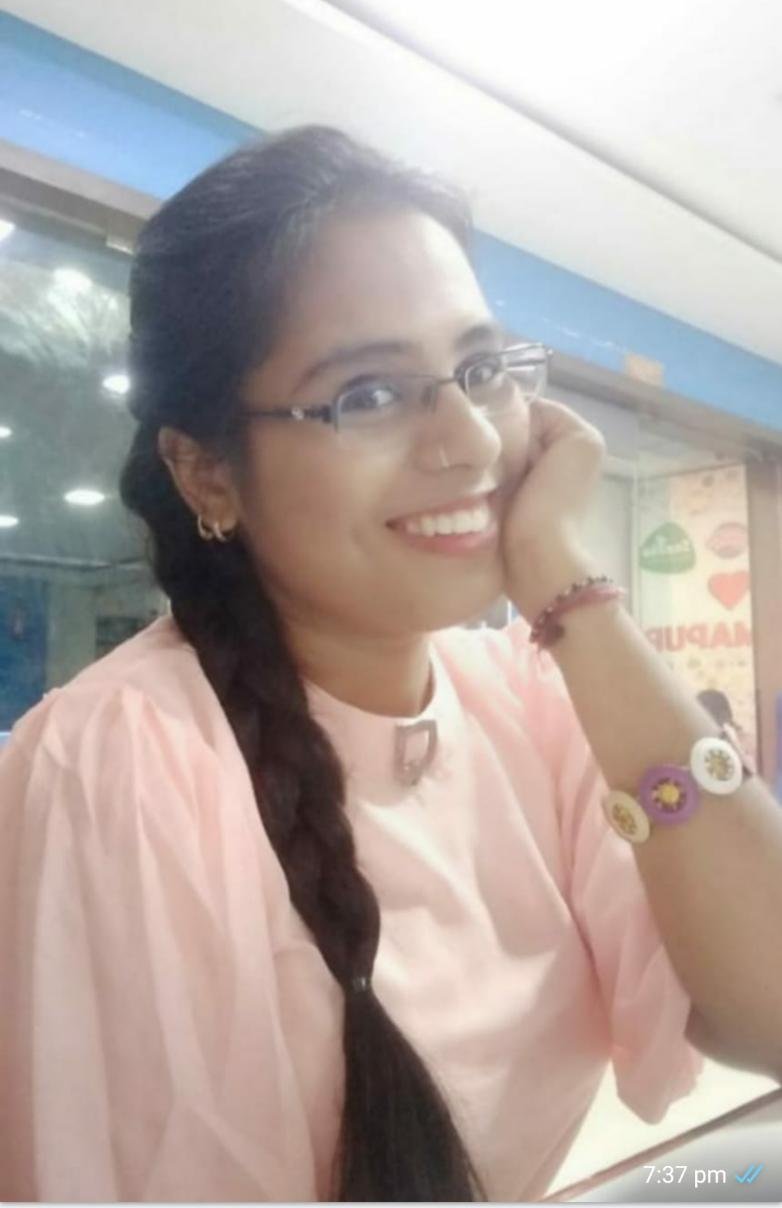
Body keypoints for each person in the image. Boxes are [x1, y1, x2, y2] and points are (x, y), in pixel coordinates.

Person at [2, 126, 782, 1204]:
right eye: (368, 393)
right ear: (206, 470)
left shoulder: (532, 699)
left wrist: (571, 594)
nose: (469, 440)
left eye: (479, 371)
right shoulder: (124, 762)